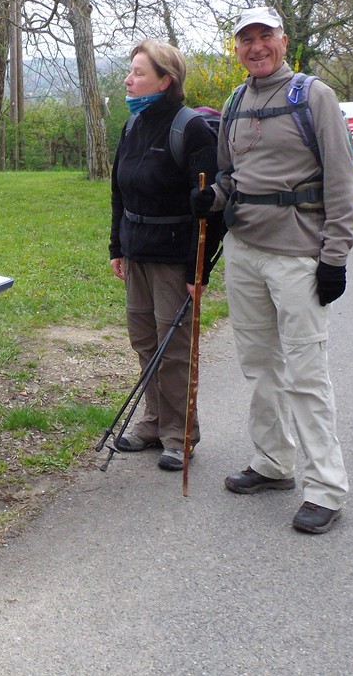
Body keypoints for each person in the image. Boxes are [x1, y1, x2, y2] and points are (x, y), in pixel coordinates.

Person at [191, 6, 353, 533]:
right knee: (260, 363)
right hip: (245, 251)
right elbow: (229, 176)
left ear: (284, 41)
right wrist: (210, 199)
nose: (256, 47)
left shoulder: (313, 97)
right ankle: (274, 461)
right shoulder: (236, 100)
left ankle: (326, 488)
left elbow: (341, 181)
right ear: (236, 48)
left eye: (265, 36)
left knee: (306, 372)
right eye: (246, 39)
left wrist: (334, 257)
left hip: (298, 257)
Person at [109, 39, 223, 472]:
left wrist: (202, 267)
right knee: (144, 342)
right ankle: (153, 423)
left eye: (138, 72)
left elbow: (212, 206)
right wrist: (117, 247)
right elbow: (119, 192)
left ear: (165, 79)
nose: (128, 79)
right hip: (136, 253)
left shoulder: (188, 128)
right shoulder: (132, 127)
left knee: (173, 348)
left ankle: (180, 434)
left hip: (175, 260)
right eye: (130, 70)